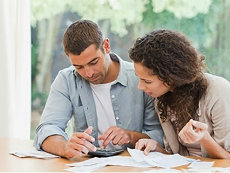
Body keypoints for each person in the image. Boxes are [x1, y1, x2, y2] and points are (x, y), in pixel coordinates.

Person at [34, 20, 163, 159]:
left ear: (106, 46)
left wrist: (131, 136)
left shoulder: (140, 79)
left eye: (93, 62)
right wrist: (64, 147)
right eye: (79, 67)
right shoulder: (66, 80)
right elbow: (47, 129)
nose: (89, 73)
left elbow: (160, 135)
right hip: (87, 165)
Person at [129, 29, 230, 159]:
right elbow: (177, 157)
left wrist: (204, 139)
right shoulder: (162, 99)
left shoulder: (218, 91)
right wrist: (156, 147)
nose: (140, 87)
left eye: (147, 81)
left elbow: (227, 159)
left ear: (170, 76)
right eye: (139, 78)